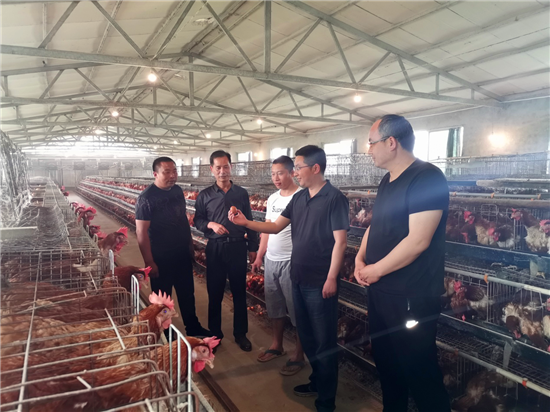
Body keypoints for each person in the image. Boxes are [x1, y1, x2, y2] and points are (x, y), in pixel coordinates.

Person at [229, 145, 349, 412]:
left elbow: (340, 242)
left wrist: (332, 277)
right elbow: (274, 226)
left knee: (324, 341)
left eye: (298, 168)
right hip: (298, 276)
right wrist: (245, 223)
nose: (295, 173)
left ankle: (326, 401)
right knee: (306, 334)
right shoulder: (300, 197)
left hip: (320, 281)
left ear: (315, 168)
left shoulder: (334, 198)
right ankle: (317, 381)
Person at [354, 114, 451, 412]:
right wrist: (360, 257)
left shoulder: (427, 177)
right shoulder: (387, 180)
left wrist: (376, 269)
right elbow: (376, 224)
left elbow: (418, 240)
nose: (369, 150)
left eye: (371, 143)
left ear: (391, 142)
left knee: (419, 370)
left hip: (411, 295)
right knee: (387, 365)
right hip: (382, 291)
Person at [135, 157, 209, 337]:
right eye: (166, 172)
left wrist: (189, 245)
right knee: (162, 300)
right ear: (155, 174)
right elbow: (141, 232)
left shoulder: (177, 191)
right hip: (161, 257)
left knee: (187, 294)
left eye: (174, 171)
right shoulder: (146, 198)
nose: (172, 175)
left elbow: (182, 219)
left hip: (181, 254)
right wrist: (149, 261)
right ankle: (164, 333)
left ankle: (193, 328)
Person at [194, 150, 258, 352]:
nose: (222, 171)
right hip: (216, 248)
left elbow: (249, 220)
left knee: (239, 292)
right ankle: (215, 335)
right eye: (218, 167)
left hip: (238, 246)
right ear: (212, 169)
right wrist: (211, 224)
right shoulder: (205, 195)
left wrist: (253, 247)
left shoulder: (241, 193)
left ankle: (241, 334)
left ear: (231, 167)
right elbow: (198, 220)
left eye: (226, 167)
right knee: (215, 292)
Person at [253, 155, 305, 375]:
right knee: (274, 306)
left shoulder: (301, 196)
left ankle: (299, 353)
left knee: (297, 310)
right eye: (273, 174)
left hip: (291, 261)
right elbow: (267, 229)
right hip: (271, 260)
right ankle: (277, 345)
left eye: (280, 173)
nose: (276, 178)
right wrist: (260, 255)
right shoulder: (273, 198)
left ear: (292, 173)